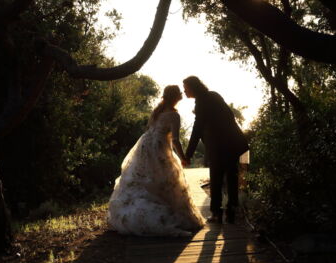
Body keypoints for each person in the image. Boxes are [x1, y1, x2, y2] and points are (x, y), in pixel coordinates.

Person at [107, 85, 205, 236]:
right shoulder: (174, 115)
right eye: (179, 92)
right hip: (158, 148)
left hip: (145, 146)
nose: (182, 94)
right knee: (165, 179)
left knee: (145, 179)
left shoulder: (157, 111)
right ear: (175, 97)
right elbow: (176, 140)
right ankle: (164, 213)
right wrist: (184, 157)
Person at [183, 76, 249, 224]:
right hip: (233, 142)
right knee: (232, 176)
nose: (184, 91)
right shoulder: (214, 95)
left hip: (219, 145)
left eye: (186, 88)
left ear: (193, 88)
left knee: (217, 178)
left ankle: (216, 213)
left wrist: (188, 154)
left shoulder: (201, 102)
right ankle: (232, 211)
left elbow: (197, 129)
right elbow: (229, 116)